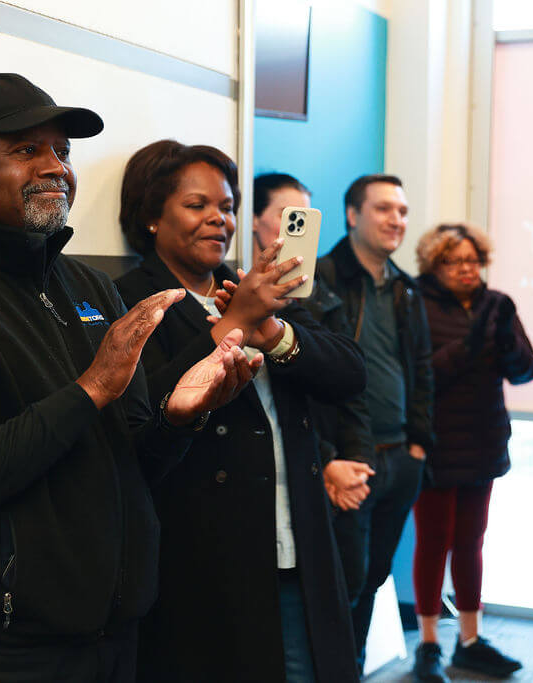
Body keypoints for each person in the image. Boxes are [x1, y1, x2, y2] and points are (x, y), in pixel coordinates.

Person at [0, 74, 255, 682]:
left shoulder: (89, 287)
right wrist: (91, 391)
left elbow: (130, 465)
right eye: (26, 149)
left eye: (62, 150)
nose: (55, 167)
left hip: (111, 642)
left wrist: (176, 421)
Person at [114, 141, 366, 682]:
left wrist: (271, 331)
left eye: (227, 207)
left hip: (298, 541)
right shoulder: (130, 300)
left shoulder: (250, 287)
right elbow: (140, 414)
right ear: (152, 216)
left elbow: (350, 373)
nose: (219, 219)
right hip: (207, 562)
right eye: (197, 205)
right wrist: (232, 325)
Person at [300, 173, 434, 673]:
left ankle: (351, 668)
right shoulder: (321, 278)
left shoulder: (405, 287)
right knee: (343, 585)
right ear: (353, 215)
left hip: (400, 457)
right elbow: (309, 376)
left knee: (374, 579)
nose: (396, 219)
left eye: (402, 211)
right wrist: (331, 456)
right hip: (347, 461)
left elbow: (421, 368)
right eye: (383, 209)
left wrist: (418, 444)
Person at [409, 223, 533, 682]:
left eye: (473, 260)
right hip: (435, 443)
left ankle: (470, 640)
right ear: (434, 265)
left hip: (483, 442)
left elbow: (527, 371)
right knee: (433, 543)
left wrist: (505, 341)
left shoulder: (497, 303)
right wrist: (466, 347)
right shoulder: (415, 302)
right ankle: (428, 643)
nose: (466, 269)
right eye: (453, 261)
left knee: (471, 543)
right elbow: (418, 376)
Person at [253, 172, 376, 512]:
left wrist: (357, 461)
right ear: (253, 219)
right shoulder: (244, 297)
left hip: (344, 469)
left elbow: (353, 381)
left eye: (304, 219)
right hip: (298, 466)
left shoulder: (319, 292)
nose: (297, 230)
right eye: (288, 216)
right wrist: (328, 461)